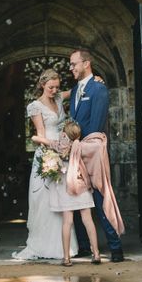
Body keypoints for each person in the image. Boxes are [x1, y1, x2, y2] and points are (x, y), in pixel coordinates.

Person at [12, 69, 76, 260]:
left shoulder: (58, 98)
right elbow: (40, 134)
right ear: (42, 84)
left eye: (57, 87)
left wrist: (94, 79)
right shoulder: (35, 106)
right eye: (51, 87)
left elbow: (76, 90)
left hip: (64, 152)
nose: (54, 90)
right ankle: (45, 245)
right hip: (48, 152)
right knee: (46, 200)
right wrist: (54, 146)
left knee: (63, 198)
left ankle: (63, 246)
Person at [67, 49, 125, 262]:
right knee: (78, 199)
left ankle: (116, 248)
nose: (71, 68)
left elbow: (97, 125)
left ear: (86, 63)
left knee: (101, 198)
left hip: (93, 152)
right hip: (77, 153)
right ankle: (84, 246)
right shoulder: (74, 91)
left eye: (74, 64)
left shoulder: (98, 89)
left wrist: (81, 147)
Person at [32, 120, 100, 266]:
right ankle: (96, 253)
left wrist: (39, 138)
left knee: (67, 222)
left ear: (64, 134)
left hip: (66, 185)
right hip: (80, 183)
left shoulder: (59, 145)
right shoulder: (81, 146)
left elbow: (40, 140)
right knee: (88, 220)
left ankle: (66, 257)